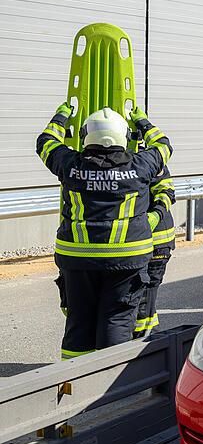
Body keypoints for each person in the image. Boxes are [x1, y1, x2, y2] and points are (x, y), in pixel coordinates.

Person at [37, 103, 172, 359]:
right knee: (117, 318)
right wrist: (142, 122)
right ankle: (110, 385)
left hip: (78, 259)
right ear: (123, 135)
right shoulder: (142, 165)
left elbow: (44, 143)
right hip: (127, 259)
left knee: (79, 320)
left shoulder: (70, 164)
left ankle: (73, 383)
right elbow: (164, 145)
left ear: (87, 135)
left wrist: (62, 116)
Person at [134, 165, 176, 339]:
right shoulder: (150, 159)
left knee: (143, 300)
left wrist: (153, 217)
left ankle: (144, 345)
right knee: (145, 300)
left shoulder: (139, 162)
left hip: (154, 242)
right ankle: (150, 342)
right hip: (154, 241)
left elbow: (166, 192)